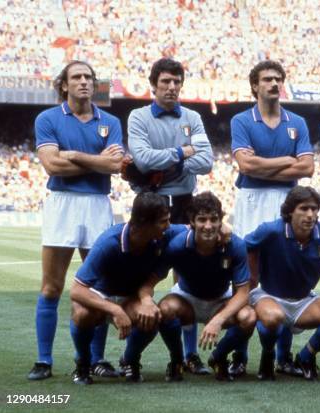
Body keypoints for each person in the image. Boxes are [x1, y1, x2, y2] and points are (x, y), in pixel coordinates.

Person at [29, 60, 124, 381]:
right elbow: (52, 167)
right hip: (62, 204)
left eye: (88, 77)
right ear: (64, 85)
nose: (84, 82)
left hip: (98, 204)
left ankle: (95, 359)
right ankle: (44, 360)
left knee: (98, 288)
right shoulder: (48, 118)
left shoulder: (109, 121)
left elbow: (115, 167)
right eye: (77, 77)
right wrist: (97, 161)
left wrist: (74, 155)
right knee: (51, 286)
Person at [127, 57, 214, 375]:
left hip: (184, 201)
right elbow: (144, 160)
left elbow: (206, 161)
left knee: (186, 275)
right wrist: (181, 152)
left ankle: (189, 356)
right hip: (149, 203)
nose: (172, 87)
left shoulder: (192, 116)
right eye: (166, 81)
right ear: (154, 84)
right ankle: (131, 357)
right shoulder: (138, 116)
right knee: (141, 276)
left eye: (177, 81)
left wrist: (170, 164)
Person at [230, 60, 314, 376]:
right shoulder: (241, 120)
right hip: (252, 198)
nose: (274, 83)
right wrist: (286, 160)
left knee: (282, 274)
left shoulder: (297, 122)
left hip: (287, 200)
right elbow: (246, 167)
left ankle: (283, 355)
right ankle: (239, 355)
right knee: (245, 274)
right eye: (267, 79)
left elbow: (306, 168)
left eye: (278, 78)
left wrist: (264, 162)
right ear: (255, 86)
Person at [68, 192, 184, 384]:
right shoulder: (109, 242)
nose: (168, 226)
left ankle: (130, 359)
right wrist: (114, 310)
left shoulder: (163, 235)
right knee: (81, 314)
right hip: (102, 295)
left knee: (151, 315)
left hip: (131, 297)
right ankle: (83, 362)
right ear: (145, 223)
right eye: (163, 221)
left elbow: (192, 229)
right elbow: (77, 290)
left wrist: (223, 228)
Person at [245, 186, 320, 380]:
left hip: (303, 300)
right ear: (290, 211)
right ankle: (268, 355)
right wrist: (252, 277)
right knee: (273, 318)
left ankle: (305, 356)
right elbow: (243, 247)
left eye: (314, 209)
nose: (310, 215)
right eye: (304, 209)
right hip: (269, 296)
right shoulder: (271, 230)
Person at [157, 192, 256, 381]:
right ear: (192, 222)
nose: (208, 226)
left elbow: (243, 293)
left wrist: (218, 320)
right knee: (164, 309)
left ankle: (218, 357)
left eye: (214, 219)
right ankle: (178, 360)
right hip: (186, 298)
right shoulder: (178, 244)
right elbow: (153, 277)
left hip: (220, 299)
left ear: (221, 221)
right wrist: (145, 298)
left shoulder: (235, 244)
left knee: (249, 317)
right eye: (202, 219)